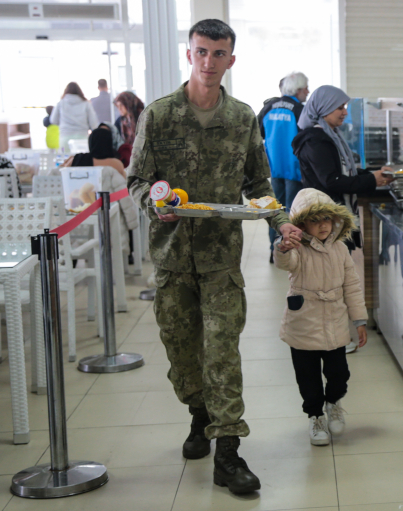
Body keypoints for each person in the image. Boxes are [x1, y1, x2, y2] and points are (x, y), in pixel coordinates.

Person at [127, 18, 302, 495]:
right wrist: (153, 204)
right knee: (183, 355)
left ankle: (228, 452)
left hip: (221, 257)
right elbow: (137, 180)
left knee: (222, 352)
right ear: (190, 54)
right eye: (201, 52)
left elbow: (259, 185)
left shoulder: (244, 118)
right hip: (171, 257)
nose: (209, 62)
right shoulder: (159, 116)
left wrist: (280, 222)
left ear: (230, 59)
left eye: (218, 54)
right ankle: (198, 411)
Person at [292, 85, 392, 353]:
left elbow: (342, 169)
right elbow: (332, 180)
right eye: (340, 108)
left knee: (337, 275)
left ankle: (342, 334)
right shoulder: (315, 140)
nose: (345, 113)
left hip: (334, 215)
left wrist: (371, 173)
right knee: (331, 280)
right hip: (325, 218)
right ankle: (334, 338)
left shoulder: (330, 135)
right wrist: (371, 180)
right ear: (324, 109)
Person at [273, 188, 367, 446]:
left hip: (335, 322)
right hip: (303, 322)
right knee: (308, 378)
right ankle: (315, 416)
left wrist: (359, 321)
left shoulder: (340, 250)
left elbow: (352, 286)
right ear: (301, 225)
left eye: (327, 219)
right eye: (315, 221)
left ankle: (333, 402)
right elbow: (285, 262)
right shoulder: (297, 249)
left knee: (339, 374)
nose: (323, 226)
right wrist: (282, 247)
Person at [257, 71, 309, 262]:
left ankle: (275, 249)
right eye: (305, 88)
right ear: (298, 90)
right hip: (295, 169)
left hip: (274, 168)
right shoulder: (299, 109)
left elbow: (259, 132)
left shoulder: (268, 107)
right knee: (294, 212)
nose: (308, 92)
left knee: (275, 210)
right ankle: (291, 250)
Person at [60, 124, 126, 178]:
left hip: (82, 193)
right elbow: (125, 187)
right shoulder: (117, 164)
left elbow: (62, 172)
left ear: (91, 141)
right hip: (112, 194)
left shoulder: (78, 159)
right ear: (109, 142)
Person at [50, 82, 99, 152]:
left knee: (65, 161)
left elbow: (53, 120)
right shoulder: (86, 104)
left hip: (65, 138)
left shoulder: (61, 103)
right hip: (82, 138)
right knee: (82, 162)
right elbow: (94, 124)